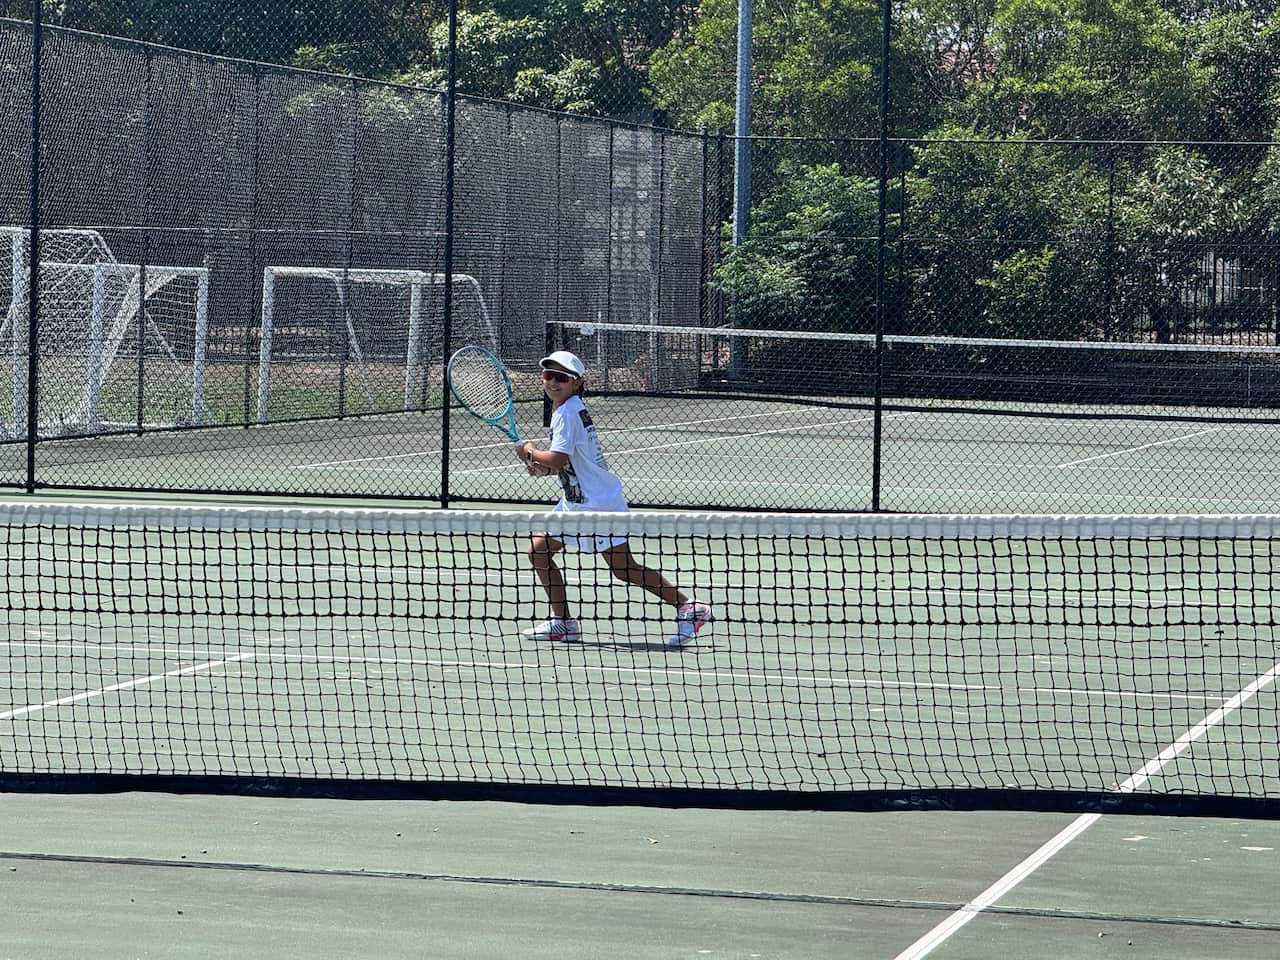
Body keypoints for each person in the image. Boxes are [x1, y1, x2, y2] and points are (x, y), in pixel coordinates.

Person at [514, 350, 713, 647]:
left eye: (561, 378)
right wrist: (542, 469)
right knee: (539, 551)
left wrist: (529, 452)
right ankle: (563, 622)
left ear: (577, 382)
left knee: (623, 569)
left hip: (596, 505)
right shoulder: (569, 409)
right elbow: (566, 464)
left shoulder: (568, 413)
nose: (553, 382)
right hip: (580, 501)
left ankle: (689, 608)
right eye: (548, 376)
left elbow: (557, 458)